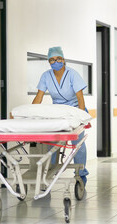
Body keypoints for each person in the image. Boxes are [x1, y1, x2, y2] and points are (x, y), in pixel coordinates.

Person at [32, 46, 89, 185]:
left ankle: (81, 174)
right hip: (58, 111)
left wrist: (81, 117)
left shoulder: (73, 74)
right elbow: (38, 97)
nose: (55, 61)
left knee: (77, 143)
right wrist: (30, 113)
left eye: (58, 58)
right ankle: (50, 172)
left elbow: (80, 98)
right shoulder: (46, 76)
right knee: (53, 143)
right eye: (51, 60)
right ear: (49, 62)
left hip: (75, 109)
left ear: (63, 60)